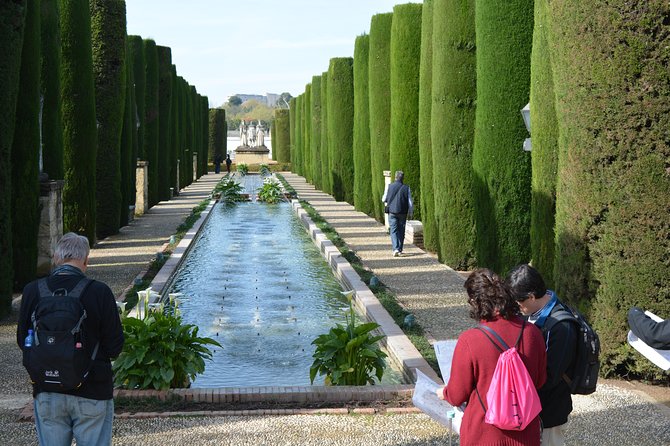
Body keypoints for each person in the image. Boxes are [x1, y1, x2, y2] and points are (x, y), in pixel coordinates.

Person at [17, 232, 124, 446]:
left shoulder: (32, 291)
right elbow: (114, 346)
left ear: (56, 258)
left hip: (47, 389)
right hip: (93, 389)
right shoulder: (99, 292)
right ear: (85, 261)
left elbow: (23, 340)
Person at [436, 269, 547, 446]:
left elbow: (457, 395)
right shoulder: (533, 333)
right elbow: (540, 381)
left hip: (484, 433)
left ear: (476, 302)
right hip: (525, 432)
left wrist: (444, 392)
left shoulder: (470, 340)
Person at [505, 264, 577, 446]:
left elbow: (550, 377)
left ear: (531, 296)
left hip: (550, 412)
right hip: (531, 408)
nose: (517, 307)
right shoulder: (531, 312)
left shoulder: (561, 327)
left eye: (519, 302)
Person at [381, 170, 413, 257]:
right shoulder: (406, 188)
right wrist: (411, 212)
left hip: (392, 211)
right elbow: (410, 202)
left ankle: (395, 249)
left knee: (393, 230)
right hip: (403, 212)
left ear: (395, 177)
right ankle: (399, 249)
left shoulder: (389, 186)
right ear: (403, 178)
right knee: (401, 231)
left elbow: (383, 199)